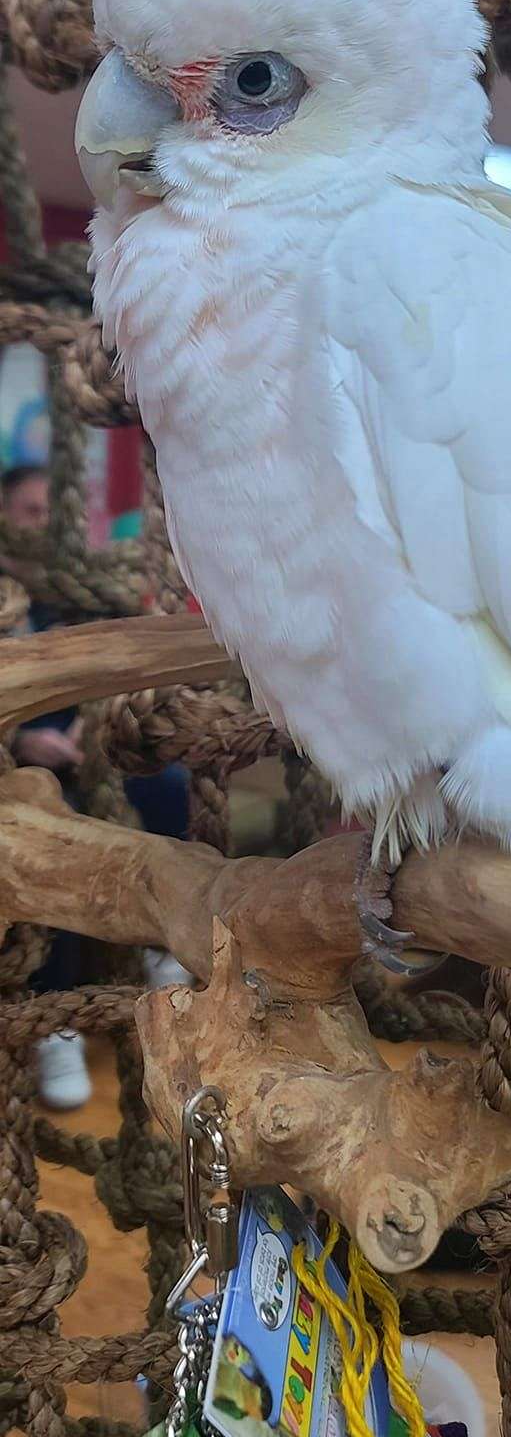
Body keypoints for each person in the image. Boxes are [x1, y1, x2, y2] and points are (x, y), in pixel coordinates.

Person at [2, 464, 192, 1110]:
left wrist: (104, 725)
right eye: (29, 511)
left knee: (169, 786)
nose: (45, 525)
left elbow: (123, 677)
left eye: (53, 512)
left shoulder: (84, 596)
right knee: (50, 845)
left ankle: (165, 944)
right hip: (21, 769)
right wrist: (22, 742)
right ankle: (54, 1022)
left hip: (91, 756)